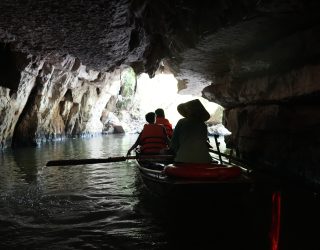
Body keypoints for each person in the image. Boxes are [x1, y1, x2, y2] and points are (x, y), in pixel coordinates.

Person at [170, 99, 212, 163]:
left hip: (183, 159)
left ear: (189, 111)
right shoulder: (203, 125)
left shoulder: (182, 122)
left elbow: (174, 143)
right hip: (205, 160)